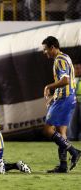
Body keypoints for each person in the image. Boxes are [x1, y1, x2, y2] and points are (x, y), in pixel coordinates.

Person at [42, 36, 81, 173]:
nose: (44, 52)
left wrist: (48, 86)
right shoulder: (66, 57)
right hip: (67, 97)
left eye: (45, 49)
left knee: (47, 130)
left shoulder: (59, 60)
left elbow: (65, 80)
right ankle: (63, 166)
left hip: (64, 99)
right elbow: (67, 81)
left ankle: (74, 151)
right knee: (61, 132)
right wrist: (54, 96)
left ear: (52, 47)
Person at [68, 63, 81, 141]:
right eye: (76, 68)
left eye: (79, 68)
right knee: (73, 121)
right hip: (73, 103)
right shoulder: (70, 80)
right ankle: (72, 136)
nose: (78, 70)